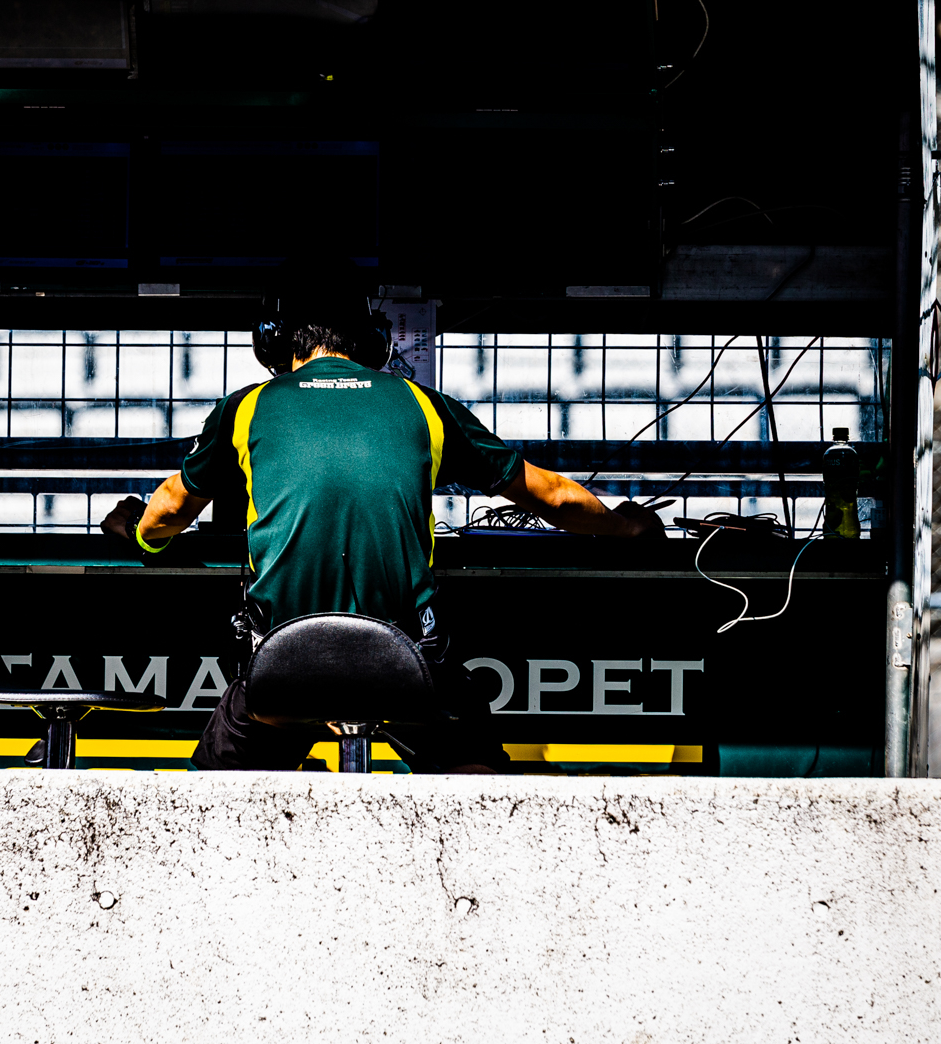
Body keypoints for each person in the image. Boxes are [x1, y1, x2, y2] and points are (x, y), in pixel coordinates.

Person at [101, 287, 664, 772]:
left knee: (211, 805)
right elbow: (555, 496)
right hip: (405, 664)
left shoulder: (247, 408)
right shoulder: (422, 404)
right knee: (481, 782)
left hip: (283, 667)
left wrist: (139, 533)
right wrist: (624, 526)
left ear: (272, 345)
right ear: (375, 344)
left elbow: (169, 512)